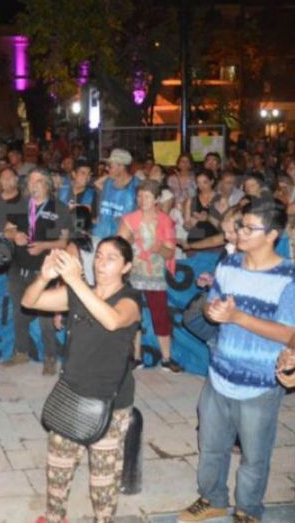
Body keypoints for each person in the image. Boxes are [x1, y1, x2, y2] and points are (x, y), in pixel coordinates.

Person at [179, 199, 295, 523]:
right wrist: (211, 310)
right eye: (240, 224)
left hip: (259, 382)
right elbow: (213, 304)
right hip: (219, 373)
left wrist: (238, 316)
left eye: (248, 227)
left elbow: (289, 333)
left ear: (271, 234)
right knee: (211, 447)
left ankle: (247, 510)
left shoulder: (288, 277)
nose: (239, 232)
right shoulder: (228, 264)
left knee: (254, 457)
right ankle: (212, 498)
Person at [22, 238, 142, 523]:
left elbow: (112, 320)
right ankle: (54, 517)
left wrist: (75, 282)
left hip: (110, 402)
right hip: (71, 394)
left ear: (127, 266)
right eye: (99, 256)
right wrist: (45, 276)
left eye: (111, 258)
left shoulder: (130, 299)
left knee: (103, 483)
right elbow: (29, 301)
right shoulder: (79, 291)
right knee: (58, 470)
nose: (101, 263)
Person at [3, 168, 72, 373]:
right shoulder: (20, 205)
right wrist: (14, 235)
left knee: (45, 319)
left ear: (48, 185)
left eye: (39, 181)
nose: (34, 185)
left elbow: (65, 241)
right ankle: (21, 353)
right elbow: (6, 230)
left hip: (44, 272)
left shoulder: (58, 208)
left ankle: (50, 357)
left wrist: (42, 246)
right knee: (19, 314)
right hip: (18, 269)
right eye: (31, 181)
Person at [118, 180, 180, 372]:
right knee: (133, 314)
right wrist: (129, 240)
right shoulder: (129, 219)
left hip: (154, 274)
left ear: (156, 199)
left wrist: (159, 248)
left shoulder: (165, 220)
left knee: (160, 314)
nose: (142, 200)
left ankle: (166, 359)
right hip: (134, 272)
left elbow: (170, 253)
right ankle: (135, 357)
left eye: (147, 196)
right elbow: (119, 245)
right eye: (139, 196)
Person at [92, 148, 139, 241]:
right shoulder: (108, 182)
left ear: (121, 167)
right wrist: (111, 174)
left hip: (121, 238)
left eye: (110, 166)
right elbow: (97, 184)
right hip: (99, 234)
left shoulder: (136, 186)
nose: (107, 168)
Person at [0, 166, 25, 235]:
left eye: (10, 177)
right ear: (0, 181)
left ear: (16, 179)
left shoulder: (25, 201)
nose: (7, 180)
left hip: (17, 242)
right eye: (3, 178)